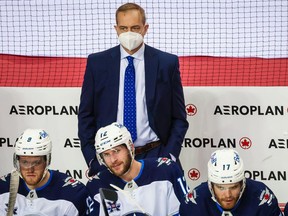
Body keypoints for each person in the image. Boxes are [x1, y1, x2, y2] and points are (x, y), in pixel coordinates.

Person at [78, 2, 188, 177]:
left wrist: (170, 157)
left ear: (145, 28)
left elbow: (179, 118)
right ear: (116, 29)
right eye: (123, 28)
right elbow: (85, 115)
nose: (129, 33)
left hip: (156, 155)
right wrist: (93, 160)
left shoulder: (167, 63)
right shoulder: (97, 63)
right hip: (111, 158)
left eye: (135, 28)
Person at [86, 122, 193, 215]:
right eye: (106, 154)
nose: (113, 160)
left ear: (131, 147)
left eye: (117, 151)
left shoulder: (166, 171)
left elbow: (186, 212)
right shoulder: (96, 186)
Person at [0, 128, 95, 216]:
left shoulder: (74, 193)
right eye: (25, 162)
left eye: (36, 163)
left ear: (47, 161)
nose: (30, 169)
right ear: (18, 161)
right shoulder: (3, 187)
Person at [188, 148, 283, 216]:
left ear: (242, 184)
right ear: (211, 185)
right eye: (221, 187)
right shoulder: (194, 203)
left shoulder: (263, 199)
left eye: (233, 187)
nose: (228, 195)